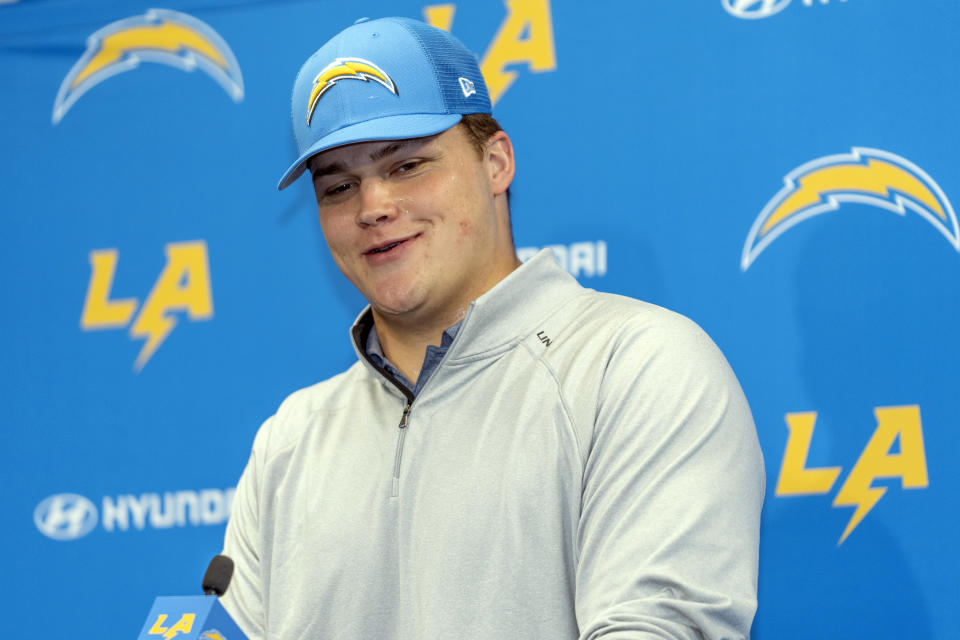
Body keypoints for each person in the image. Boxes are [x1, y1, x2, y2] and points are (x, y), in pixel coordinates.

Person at [222, 16, 764, 640]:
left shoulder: (637, 367)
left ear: (496, 161)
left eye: (407, 166)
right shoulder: (290, 439)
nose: (372, 208)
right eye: (339, 185)